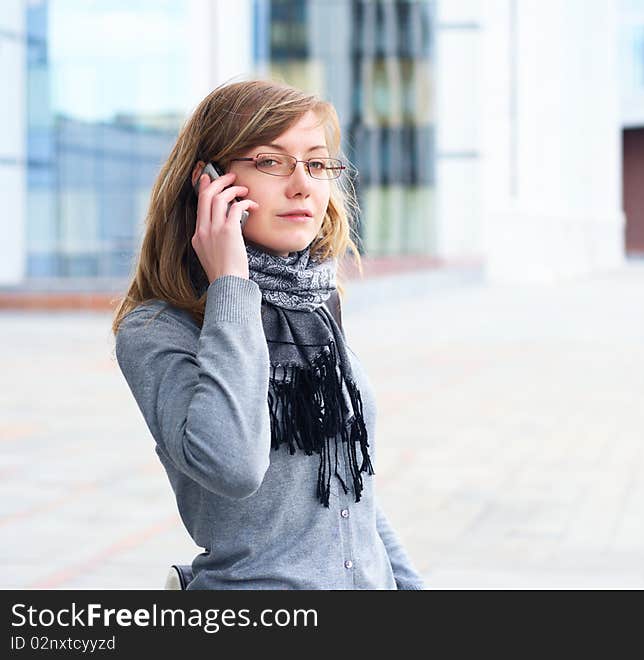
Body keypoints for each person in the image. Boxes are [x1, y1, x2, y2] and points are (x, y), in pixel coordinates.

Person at [110, 78, 424, 590]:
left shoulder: (316, 305)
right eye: (271, 162)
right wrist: (231, 285)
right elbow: (233, 466)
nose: (302, 185)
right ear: (208, 182)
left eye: (316, 164)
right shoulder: (156, 330)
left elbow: (350, 490)